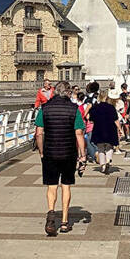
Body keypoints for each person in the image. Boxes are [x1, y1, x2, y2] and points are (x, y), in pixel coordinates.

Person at [34, 81, 87, 236]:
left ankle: (51, 215)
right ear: (69, 92)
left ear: (54, 92)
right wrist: (82, 155)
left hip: (50, 153)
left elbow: (39, 133)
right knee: (66, 186)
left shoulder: (45, 108)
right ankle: (64, 222)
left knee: (51, 186)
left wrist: (42, 152)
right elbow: (79, 134)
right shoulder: (74, 109)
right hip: (68, 153)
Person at [88, 89, 121, 174]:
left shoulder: (95, 107)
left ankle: (102, 165)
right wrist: (120, 130)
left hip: (98, 129)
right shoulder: (111, 107)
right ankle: (108, 159)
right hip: (110, 129)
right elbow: (116, 120)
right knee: (110, 146)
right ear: (107, 97)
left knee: (100, 148)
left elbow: (91, 120)